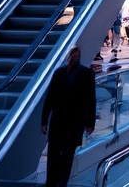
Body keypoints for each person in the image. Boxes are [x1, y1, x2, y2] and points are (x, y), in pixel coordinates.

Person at [42, 46, 97, 187]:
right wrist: (90, 123)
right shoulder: (81, 74)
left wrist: (90, 122)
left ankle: (56, 182)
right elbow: (90, 99)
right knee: (63, 154)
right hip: (71, 121)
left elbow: (50, 98)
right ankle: (56, 182)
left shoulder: (81, 74)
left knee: (60, 153)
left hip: (66, 121)